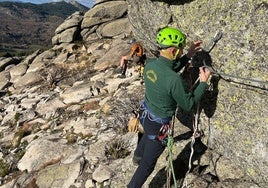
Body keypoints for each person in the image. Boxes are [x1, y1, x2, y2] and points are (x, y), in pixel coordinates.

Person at [127, 27, 211, 187]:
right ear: (172, 51)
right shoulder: (174, 80)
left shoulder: (151, 64)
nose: (180, 53)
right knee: (147, 166)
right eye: (179, 50)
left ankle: (137, 156)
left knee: (146, 135)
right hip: (160, 125)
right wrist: (203, 82)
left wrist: (188, 55)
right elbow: (188, 104)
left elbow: (168, 67)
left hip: (145, 114)